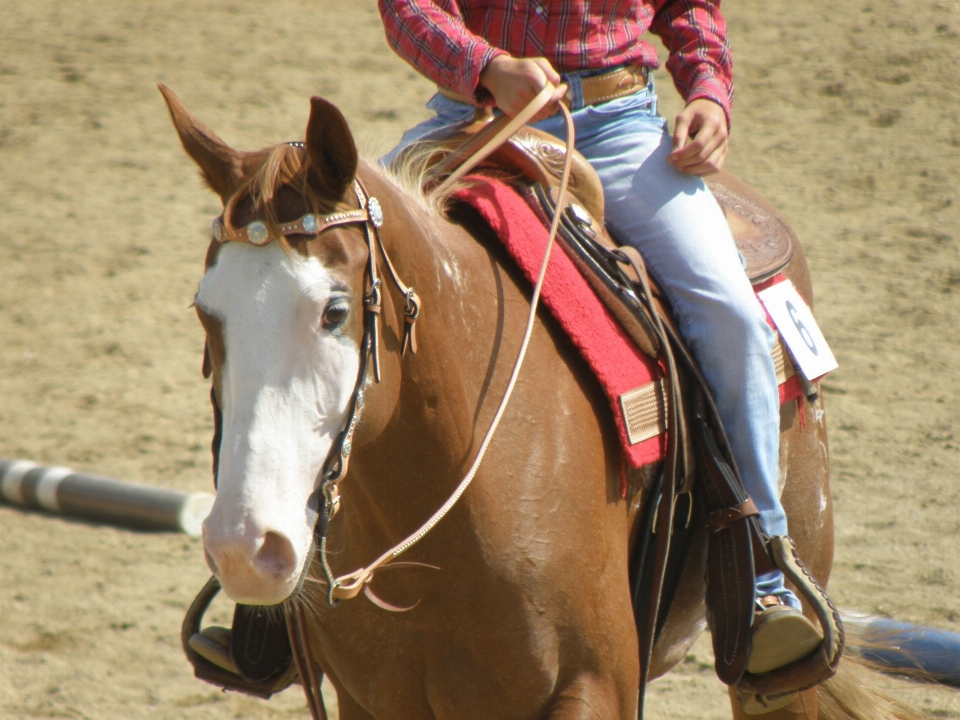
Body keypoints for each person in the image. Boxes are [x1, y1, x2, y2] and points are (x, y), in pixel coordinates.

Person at [377, 0, 821, 698]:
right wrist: (485, 65)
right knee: (318, 264)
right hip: (474, 123)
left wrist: (709, 92)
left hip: (617, 129)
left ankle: (763, 568)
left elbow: (690, 8)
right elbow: (408, 8)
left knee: (729, 313)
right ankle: (280, 593)